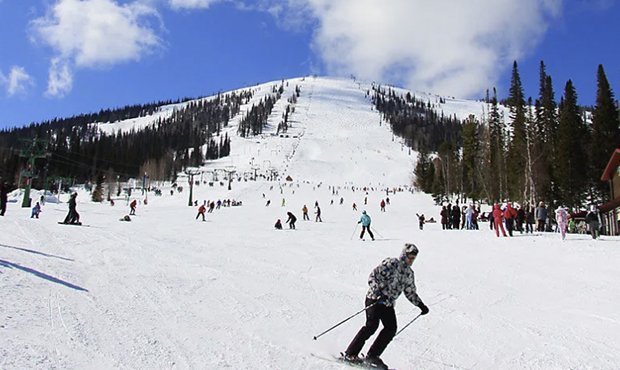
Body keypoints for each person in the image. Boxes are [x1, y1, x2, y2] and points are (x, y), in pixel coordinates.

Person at [344, 243, 429, 369]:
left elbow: (410, 291)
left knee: (391, 328)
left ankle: (373, 356)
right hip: (374, 299)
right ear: (404, 255)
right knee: (372, 326)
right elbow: (373, 277)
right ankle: (351, 353)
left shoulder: (408, 273)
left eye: (413, 258)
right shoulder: (391, 264)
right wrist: (378, 292)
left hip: (388, 303)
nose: (411, 260)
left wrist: (420, 305)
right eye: (410, 257)